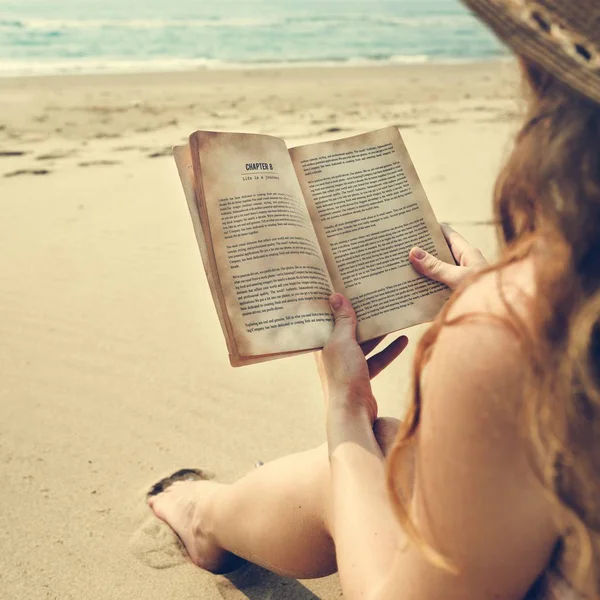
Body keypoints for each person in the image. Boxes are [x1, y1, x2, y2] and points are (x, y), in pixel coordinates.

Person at [148, 1, 600, 598]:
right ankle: (209, 516)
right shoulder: (555, 314)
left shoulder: (515, 334)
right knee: (407, 460)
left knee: (375, 456)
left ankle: (205, 515)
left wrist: (345, 409)